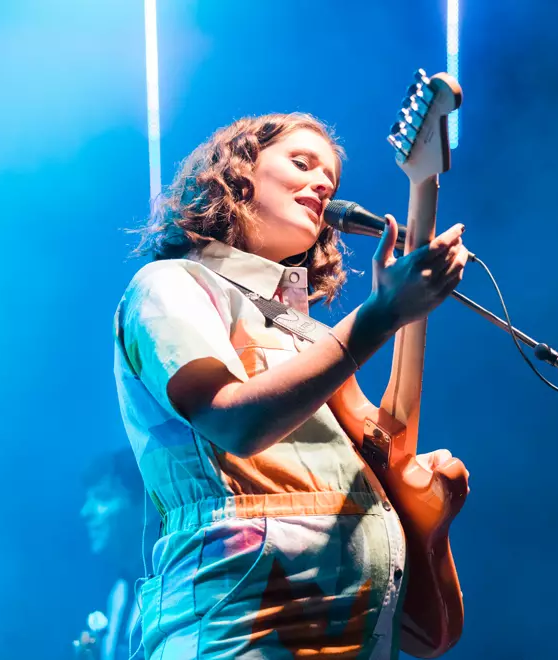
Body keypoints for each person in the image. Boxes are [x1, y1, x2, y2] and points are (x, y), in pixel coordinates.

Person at [112, 112, 470, 658]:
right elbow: (235, 419)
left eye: (331, 179)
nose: (323, 184)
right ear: (237, 175)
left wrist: (402, 306)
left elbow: (388, 450)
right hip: (235, 632)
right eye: (301, 163)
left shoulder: (306, 332)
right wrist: (377, 316)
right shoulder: (171, 284)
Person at [79, 451, 145, 660]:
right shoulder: (119, 591)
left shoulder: (175, 582)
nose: (85, 511)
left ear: (145, 507)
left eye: (102, 497)